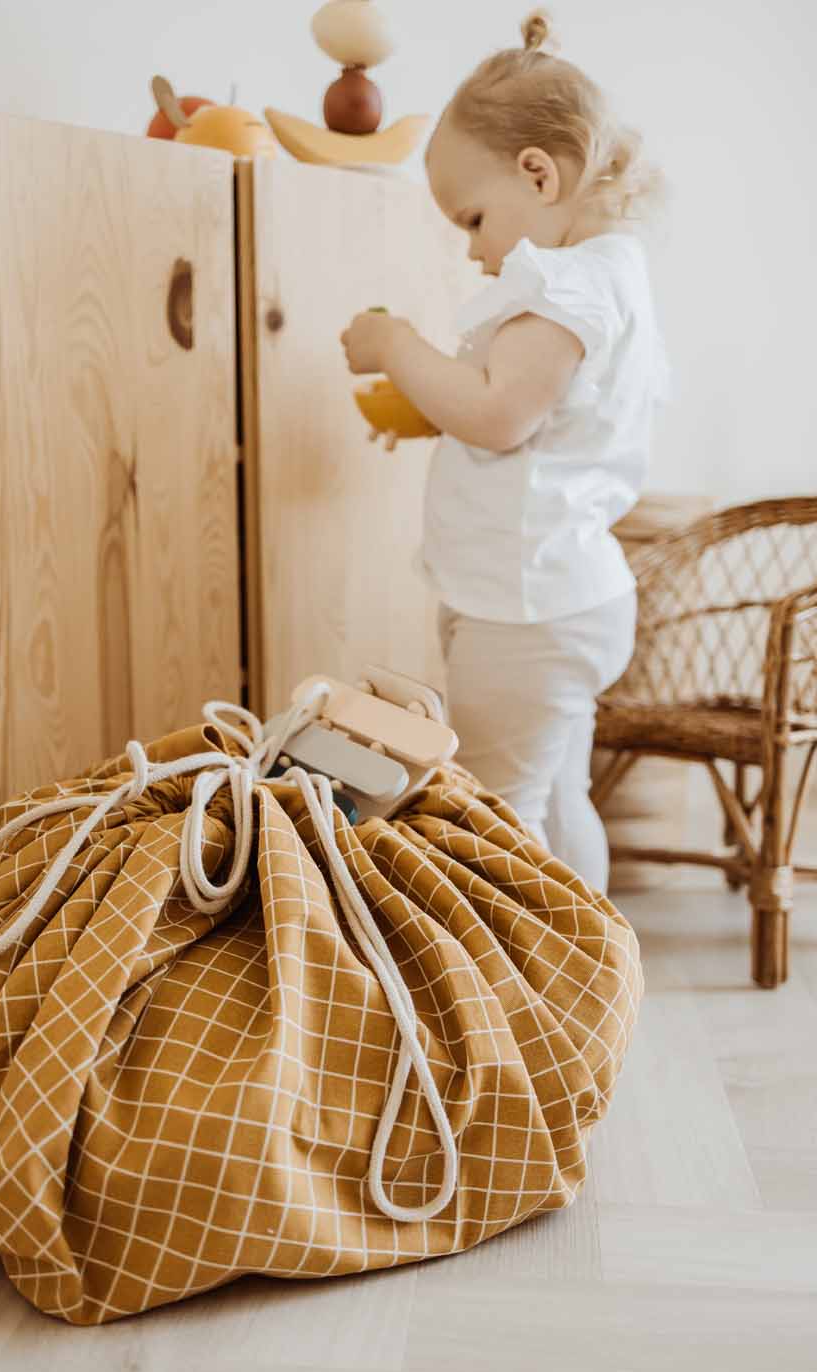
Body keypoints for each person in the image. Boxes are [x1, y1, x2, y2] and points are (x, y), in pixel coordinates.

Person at [341, 8, 671, 892]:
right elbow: (534, 413)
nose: (477, 251)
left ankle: (519, 1003)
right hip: (557, 599)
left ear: (539, 172)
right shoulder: (614, 275)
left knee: (498, 812)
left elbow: (500, 417)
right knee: (558, 799)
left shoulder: (565, 283)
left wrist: (397, 346)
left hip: (528, 608)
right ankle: (587, 978)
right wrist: (424, 406)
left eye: (474, 218)